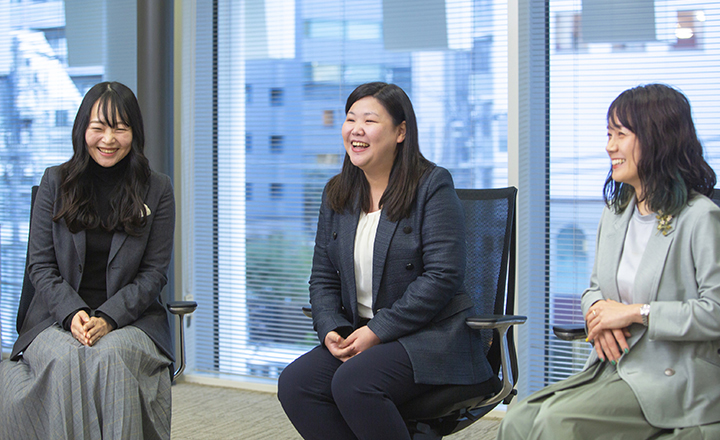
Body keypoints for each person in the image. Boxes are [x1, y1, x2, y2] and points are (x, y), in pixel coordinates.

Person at [497, 84, 720, 439]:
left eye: (621, 134)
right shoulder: (618, 213)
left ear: (658, 138)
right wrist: (600, 312)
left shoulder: (699, 217)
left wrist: (635, 313)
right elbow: (595, 289)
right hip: (615, 365)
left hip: (675, 378)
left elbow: (715, 311)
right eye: (608, 134)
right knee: (518, 418)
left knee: (557, 423)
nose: (609, 146)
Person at [277, 82, 492, 440]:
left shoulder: (432, 186)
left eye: (370, 120)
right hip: (359, 333)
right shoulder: (337, 193)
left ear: (400, 132)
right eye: (350, 119)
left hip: (430, 337)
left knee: (354, 382)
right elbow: (322, 277)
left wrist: (378, 331)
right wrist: (331, 327)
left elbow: (443, 276)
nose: (356, 129)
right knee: (297, 384)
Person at [0, 81, 176, 439]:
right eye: (98, 128)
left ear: (134, 134)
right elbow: (41, 265)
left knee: (110, 358)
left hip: (132, 319)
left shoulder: (157, 189)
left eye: (120, 128)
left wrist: (110, 317)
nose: (108, 139)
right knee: (66, 360)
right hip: (55, 316)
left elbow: (154, 274)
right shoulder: (55, 181)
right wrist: (71, 313)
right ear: (82, 131)